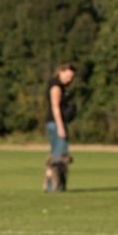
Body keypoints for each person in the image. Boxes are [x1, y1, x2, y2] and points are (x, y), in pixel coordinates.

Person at [44, 63, 77, 192]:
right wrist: (61, 127)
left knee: (55, 155)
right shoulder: (56, 86)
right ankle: (55, 186)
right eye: (68, 76)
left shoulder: (60, 86)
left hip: (54, 123)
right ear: (60, 72)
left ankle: (50, 186)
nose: (69, 79)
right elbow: (55, 107)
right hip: (56, 123)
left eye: (71, 77)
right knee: (59, 156)